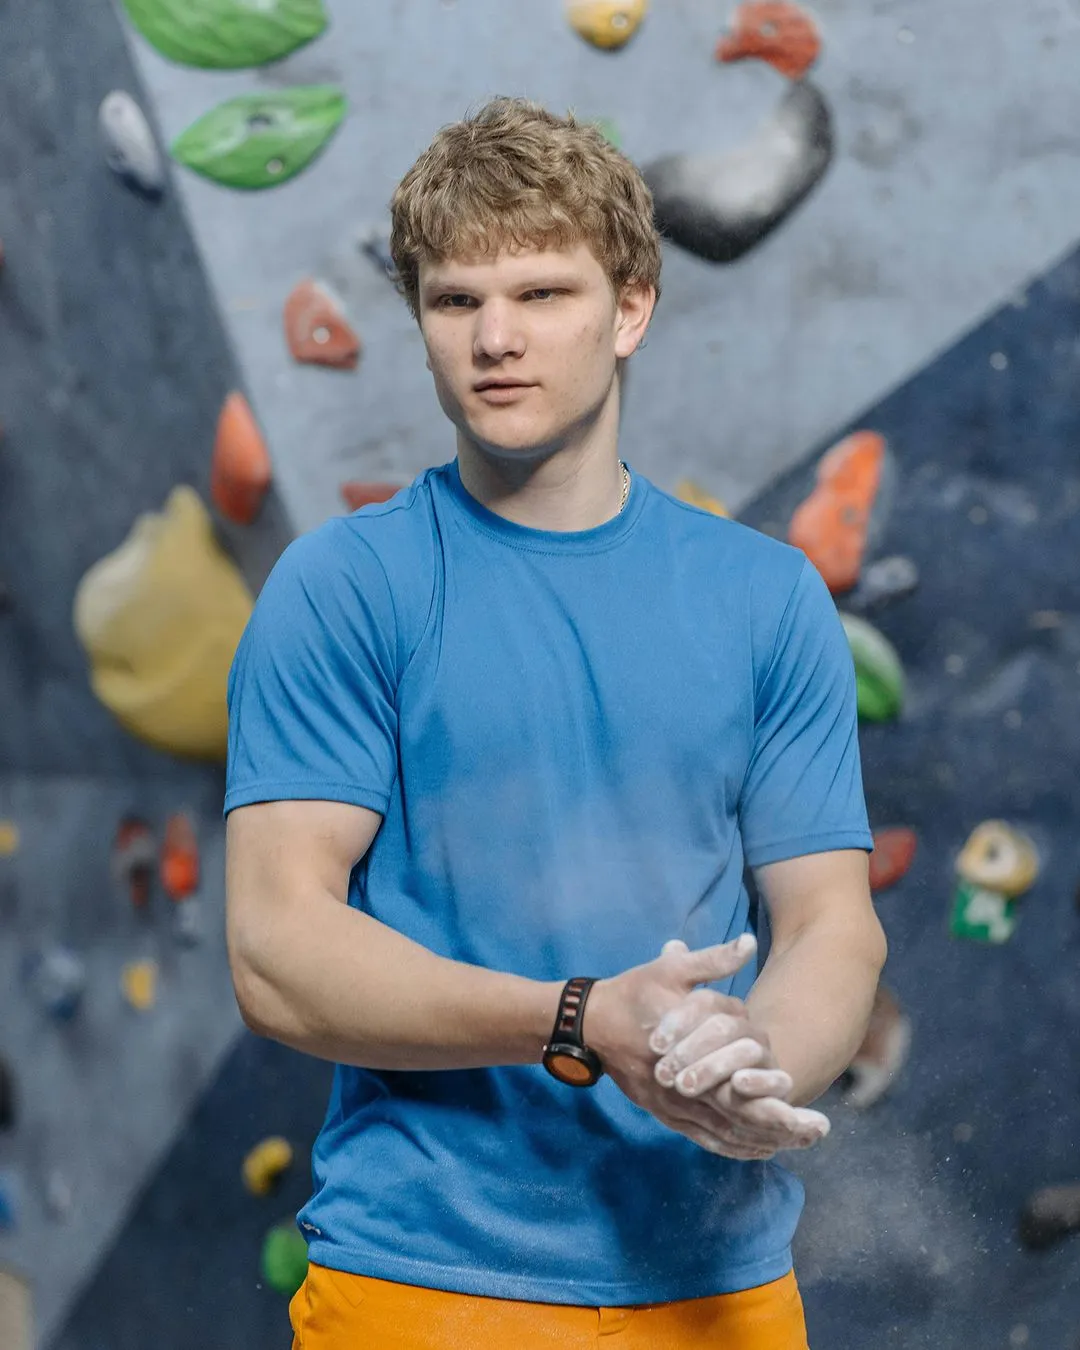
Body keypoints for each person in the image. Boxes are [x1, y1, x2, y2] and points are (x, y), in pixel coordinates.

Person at [224, 97, 887, 1350]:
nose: (496, 340)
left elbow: (832, 927)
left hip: (720, 1284)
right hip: (424, 1285)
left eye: (542, 295)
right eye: (456, 301)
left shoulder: (763, 596)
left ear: (630, 308)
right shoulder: (347, 586)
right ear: (420, 322)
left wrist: (757, 1073)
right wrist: (582, 1018)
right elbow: (276, 951)